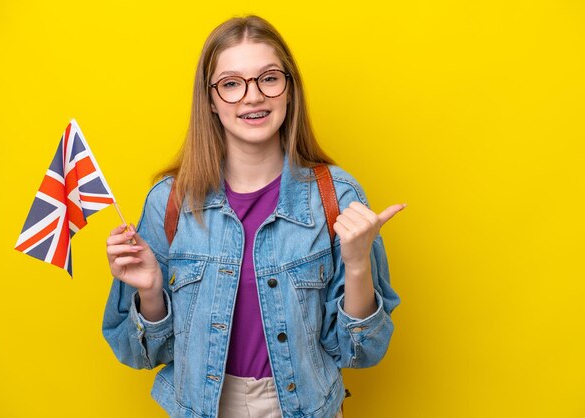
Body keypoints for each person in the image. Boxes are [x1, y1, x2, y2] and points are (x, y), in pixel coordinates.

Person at [102, 14, 404, 418]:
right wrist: (152, 294)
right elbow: (139, 353)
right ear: (209, 99)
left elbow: (361, 353)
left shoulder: (338, 196)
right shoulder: (169, 202)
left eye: (269, 78)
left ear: (289, 89)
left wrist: (357, 267)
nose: (253, 96)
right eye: (231, 84)